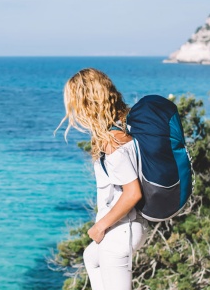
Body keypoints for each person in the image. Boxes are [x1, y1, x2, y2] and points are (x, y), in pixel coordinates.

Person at [56, 68, 149, 290]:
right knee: (91, 257)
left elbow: (133, 192)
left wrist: (100, 226)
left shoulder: (111, 141)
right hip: (128, 229)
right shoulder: (127, 127)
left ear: (87, 103)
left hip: (120, 231)